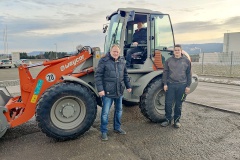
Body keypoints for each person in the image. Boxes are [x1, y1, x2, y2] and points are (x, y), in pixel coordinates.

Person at [95, 44, 132, 141]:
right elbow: (98, 76)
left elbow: (125, 75)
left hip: (119, 91)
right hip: (107, 92)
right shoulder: (104, 61)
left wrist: (128, 86)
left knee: (119, 111)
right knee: (105, 113)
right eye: (114, 51)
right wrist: (100, 89)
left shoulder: (122, 61)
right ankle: (104, 131)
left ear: (119, 52)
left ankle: (117, 128)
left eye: (117, 52)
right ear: (110, 51)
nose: (116, 53)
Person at [161, 44, 192, 128]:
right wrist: (165, 84)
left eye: (178, 50)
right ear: (173, 52)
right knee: (168, 103)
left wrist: (188, 86)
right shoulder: (168, 61)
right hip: (171, 85)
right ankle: (167, 120)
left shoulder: (186, 61)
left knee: (178, 104)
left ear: (181, 51)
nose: (177, 51)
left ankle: (177, 121)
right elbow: (165, 73)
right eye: (175, 50)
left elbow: (189, 74)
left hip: (182, 85)